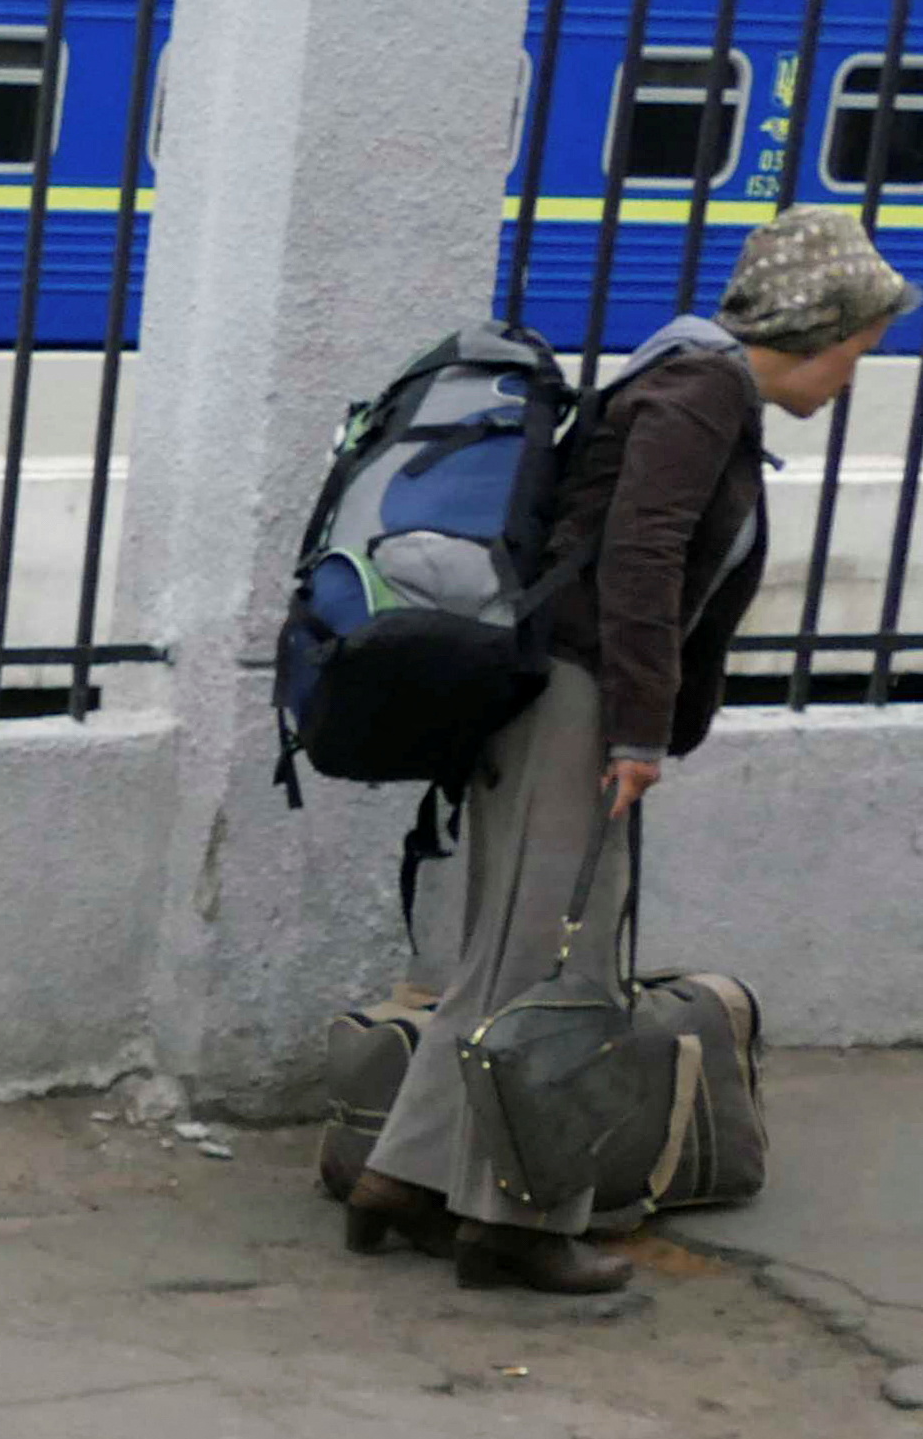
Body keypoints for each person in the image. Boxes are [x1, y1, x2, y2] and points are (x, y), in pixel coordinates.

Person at [338, 204, 907, 1298]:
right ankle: (516, 1223)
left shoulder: (681, 380)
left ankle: (400, 1182)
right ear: (810, 324)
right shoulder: (701, 393)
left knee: (507, 954)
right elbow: (639, 563)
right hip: (580, 705)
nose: (851, 375)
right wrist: (637, 728)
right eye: (854, 350)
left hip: (557, 692)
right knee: (563, 968)